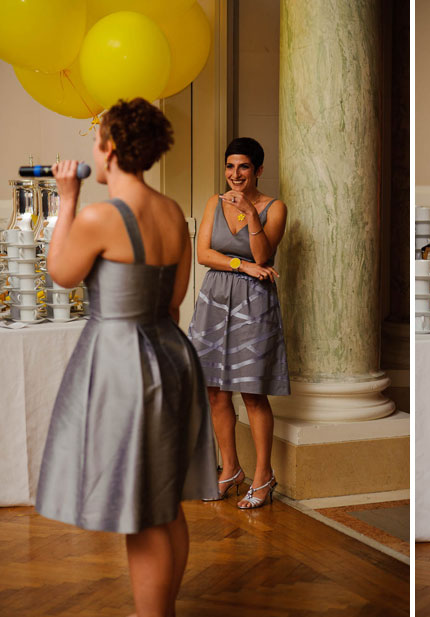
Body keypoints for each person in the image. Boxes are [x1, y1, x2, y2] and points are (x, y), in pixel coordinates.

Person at [36, 98, 218, 617]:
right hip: (170, 353)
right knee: (164, 504)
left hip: (122, 362)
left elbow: (62, 274)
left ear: (110, 147)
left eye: (97, 139)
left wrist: (66, 200)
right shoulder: (171, 212)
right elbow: (176, 298)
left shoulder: (99, 215)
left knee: (141, 509)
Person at [189, 137, 288, 509]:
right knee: (214, 390)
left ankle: (264, 475)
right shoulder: (214, 202)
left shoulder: (274, 208)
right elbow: (203, 254)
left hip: (254, 303)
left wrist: (250, 212)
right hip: (214, 299)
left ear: (258, 170)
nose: (235, 174)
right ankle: (230, 468)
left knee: (252, 391)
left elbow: (264, 253)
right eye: (230, 166)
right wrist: (242, 265)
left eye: (243, 167)